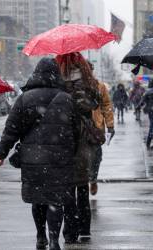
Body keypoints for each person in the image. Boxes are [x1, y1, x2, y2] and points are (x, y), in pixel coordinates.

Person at [0, 58, 78, 250]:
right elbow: (76, 130)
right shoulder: (66, 98)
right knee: (55, 199)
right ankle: (54, 239)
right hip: (60, 159)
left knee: (38, 199)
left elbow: (11, 129)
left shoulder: (25, 98)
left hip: (33, 158)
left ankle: (41, 236)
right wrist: (69, 152)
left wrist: (2, 152)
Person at [55, 52, 100, 243]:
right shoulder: (88, 77)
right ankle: (84, 228)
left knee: (68, 188)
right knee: (81, 185)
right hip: (83, 137)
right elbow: (94, 102)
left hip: (64, 136)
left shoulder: (58, 79)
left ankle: (70, 231)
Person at [89, 61, 115, 195]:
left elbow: (106, 105)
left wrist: (110, 125)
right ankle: (82, 182)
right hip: (78, 127)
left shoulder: (99, 86)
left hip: (95, 127)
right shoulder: (73, 85)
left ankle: (93, 179)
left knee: (96, 156)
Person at [139, 78, 153, 149]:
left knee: (152, 127)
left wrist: (138, 107)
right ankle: (150, 143)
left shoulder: (148, 91)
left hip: (151, 110)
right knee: (152, 126)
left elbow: (142, 101)